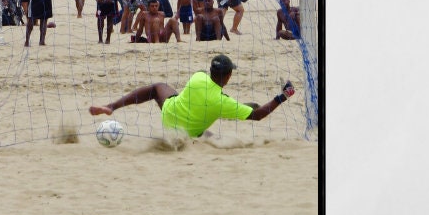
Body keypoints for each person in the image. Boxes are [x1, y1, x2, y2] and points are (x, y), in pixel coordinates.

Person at [89, 54, 296, 140]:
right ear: (229, 76)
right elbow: (258, 115)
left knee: (157, 88)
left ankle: (111, 106)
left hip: (170, 115)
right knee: (207, 130)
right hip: (188, 132)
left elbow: (222, 99)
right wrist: (283, 96)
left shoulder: (198, 77)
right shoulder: (222, 103)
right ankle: (198, 134)